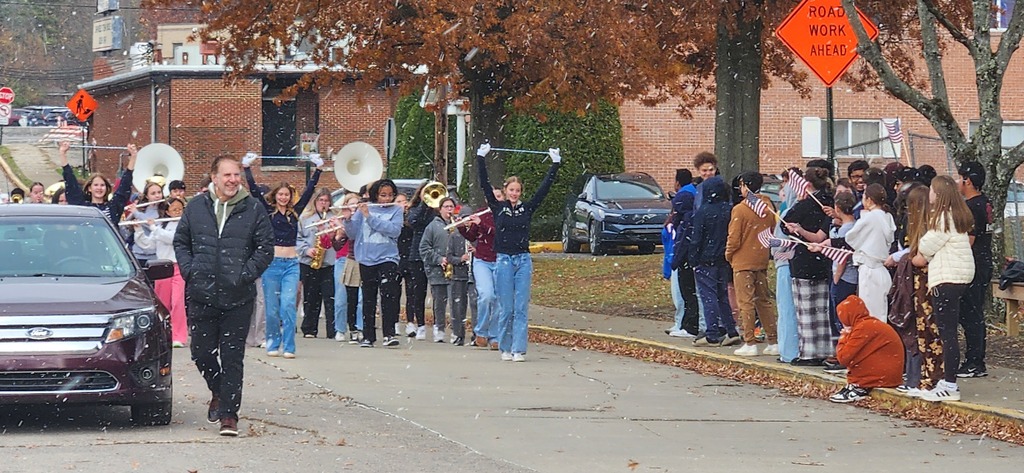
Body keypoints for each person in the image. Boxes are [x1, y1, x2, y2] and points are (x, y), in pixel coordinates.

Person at [173, 155, 273, 437]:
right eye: (227, 175)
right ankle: (218, 391)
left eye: (236, 175)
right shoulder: (195, 207)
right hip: (201, 293)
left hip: (237, 297)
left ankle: (229, 413)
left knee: (232, 357)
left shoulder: (253, 209)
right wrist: (191, 271)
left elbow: (265, 248)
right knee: (201, 353)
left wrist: (245, 274)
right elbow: (181, 242)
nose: (232, 180)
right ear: (214, 177)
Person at [477, 143, 561, 362]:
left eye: (517, 191)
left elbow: (544, 189)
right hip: (503, 259)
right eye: (511, 190)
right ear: (505, 191)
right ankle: (505, 346)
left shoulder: (527, 208)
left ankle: (518, 349)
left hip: (523, 260)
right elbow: (484, 183)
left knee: (521, 307)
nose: (514, 194)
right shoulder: (498, 207)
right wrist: (480, 158)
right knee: (506, 307)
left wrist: (555, 164)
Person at [242, 152, 324, 358]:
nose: (283, 197)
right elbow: (253, 191)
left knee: (288, 305)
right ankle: (272, 342)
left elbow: (309, 192)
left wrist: (319, 170)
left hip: (291, 264)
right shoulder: (267, 211)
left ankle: (289, 346)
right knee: (271, 309)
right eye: (281, 194)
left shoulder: (295, 212)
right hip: (271, 264)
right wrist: (247, 169)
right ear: (276, 195)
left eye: (287, 194)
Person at [914, 175, 976, 402]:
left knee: (947, 333)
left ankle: (950, 384)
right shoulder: (958, 215)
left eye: (931, 190)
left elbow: (925, 246)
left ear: (937, 195)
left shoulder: (942, 219)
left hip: (947, 278)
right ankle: (947, 379)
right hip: (960, 276)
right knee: (949, 330)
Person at [782, 167, 835, 366]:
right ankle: (826, 349)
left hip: (804, 260)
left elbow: (784, 224)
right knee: (823, 309)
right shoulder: (830, 203)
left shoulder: (804, 205)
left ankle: (810, 352)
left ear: (807, 184)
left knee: (806, 310)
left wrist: (798, 230)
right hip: (827, 260)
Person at [343, 179, 404, 348]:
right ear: (376, 195)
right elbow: (353, 234)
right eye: (383, 195)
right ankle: (368, 336)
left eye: (390, 195)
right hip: (366, 259)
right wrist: (348, 220)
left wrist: (369, 217)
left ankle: (389, 333)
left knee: (388, 296)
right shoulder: (363, 209)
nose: (386, 199)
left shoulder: (396, 211)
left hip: (388, 258)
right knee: (368, 298)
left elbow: (394, 231)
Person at [725, 172, 778, 356]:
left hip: (742, 260)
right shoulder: (768, 205)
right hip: (761, 258)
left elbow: (734, 238)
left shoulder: (740, 209)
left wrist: (729, 254)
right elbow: (771, 229)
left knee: (745, 302)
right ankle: (773, 339)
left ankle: (749, 341)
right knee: (763, 300)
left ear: (745, 186)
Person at [689, 176, 740, 347]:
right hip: (723, 258)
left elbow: (696, 238)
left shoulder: (703, 211)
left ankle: (712, 333)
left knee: (708, 295)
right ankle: (730, 329)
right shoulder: (730, 210)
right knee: (722, 295)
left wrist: (693, 258)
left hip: (706, 258)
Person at [829, 296, 904, 403]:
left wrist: (844, 336)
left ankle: (860, 386)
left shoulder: (863, 328)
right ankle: (858, 384)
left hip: (881, 377)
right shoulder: (869, 324)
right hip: (889, 375)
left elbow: (843, 358)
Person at [135, 197, 187, 347]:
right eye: (174, 209)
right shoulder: (161, 225)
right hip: (162, 267)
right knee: (162, 302)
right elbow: (148, 245)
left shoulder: (183, 225)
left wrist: (154, 228)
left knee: (177, 301)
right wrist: (138, 230)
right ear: (167, 211)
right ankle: (163, 334)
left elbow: (174, 239)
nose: (178, 212)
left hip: (177, 266)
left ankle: (179, 336)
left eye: (180, 209)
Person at [956, 161, 992, 378]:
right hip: (983, 261)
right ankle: (975, 359)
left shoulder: (971, 207)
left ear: (967, 181)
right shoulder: (985, 202)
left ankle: (974, 361)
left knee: (970, 313)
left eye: (960, 178)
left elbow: (968, 240)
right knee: (974, 313)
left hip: (974, 264)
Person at [420, 197, 471, 345]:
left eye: (451, 207)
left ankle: (456, 332)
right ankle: (439, 329)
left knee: (457, 302)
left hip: (456, 270)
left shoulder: (458, 226)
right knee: (439, 302)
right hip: (438, 269)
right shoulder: (432, 227)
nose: (449, 210)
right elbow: (424, 248)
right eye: (446, 206)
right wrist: (438, 259)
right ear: (440, 209)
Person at [459, 187, 504, 348]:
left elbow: (500, 234)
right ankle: (481, 331)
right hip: (482, 260)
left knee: (499, 299)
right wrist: (462, 226)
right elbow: (472, 236)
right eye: (492, 196)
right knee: (486, 295)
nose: (496, 199)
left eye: (498, 196)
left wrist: (482, 225)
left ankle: (495, 336)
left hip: (501, 260)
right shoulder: (481, 213)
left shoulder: (505, 214)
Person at [844, 184, 895, 320]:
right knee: (881, 312)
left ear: (870, 200)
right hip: (881, 269)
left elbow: (851, 237)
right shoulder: (887, 216)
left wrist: (863, 217)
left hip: (869, 268)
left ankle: (873, 340)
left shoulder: (870, 217)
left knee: (870, 312)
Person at [58, 140, 136, 225]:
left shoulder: (113, 206)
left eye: (102, 185)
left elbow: (125, 186)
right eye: (96, 185)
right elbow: (70, 182)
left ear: (106, 188)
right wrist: (62, 154)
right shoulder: (82, 206)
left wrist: (133, 158)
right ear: (89, 188)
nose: (99, 188)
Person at [298, 188, 339, 339]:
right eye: (321, 200)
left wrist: (329, 231)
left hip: (328, 262)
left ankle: (332, 330)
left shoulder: (334, 218)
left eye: (326, 201)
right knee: (310, 296)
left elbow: (338, 239)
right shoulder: (305, 218)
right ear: (315, 202)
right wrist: (306, 250)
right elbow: (298, 238)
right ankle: (309, 328)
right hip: (309, 262)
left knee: (330, 296)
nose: (324, 204)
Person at [665, 169, 697, 337]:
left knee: (685, 292)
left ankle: (688, 325)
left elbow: (678, 238)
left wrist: (676, 259)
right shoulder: (692, 197)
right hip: (681, 255)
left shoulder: (685, 221)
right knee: (685, 292)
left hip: (682, 256)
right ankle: (683, 323)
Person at [773, 170, 801, 363]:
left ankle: (789, 350)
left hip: (785, 264)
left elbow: (779, 241)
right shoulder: (792, 212)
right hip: (791, 263)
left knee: (787, 309)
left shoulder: (788, 215)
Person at [404, 182, 436, 340]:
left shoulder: (437, 210)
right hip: (417, 255)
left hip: (435, 254)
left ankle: (438, 326)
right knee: (417, 292)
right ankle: (420, 324)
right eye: (427, 192)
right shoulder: (415, 208)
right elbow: (414, 222)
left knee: (437, 292)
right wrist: (425, 203)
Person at [335, 192, 365, 343]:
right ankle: (343, 329)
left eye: (356, 204)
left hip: (364, 260)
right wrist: (338, 231)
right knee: (344, 298)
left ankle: (360, 328)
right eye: (351, 204)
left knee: (361, 299)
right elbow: (337, 246)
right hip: (349, 260)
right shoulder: (346, 221)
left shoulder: (363, 219)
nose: (354, 207)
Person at [125, 180, 164, 268]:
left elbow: (154, 224)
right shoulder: (141, 209)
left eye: (159, 192)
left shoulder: (164, 210)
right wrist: (133, 213)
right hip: (138, 253)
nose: (157, 195)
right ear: (147, 196)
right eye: (153, 193)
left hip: (155, 254)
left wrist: (137, 213)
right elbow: (127, 223)